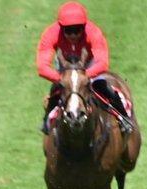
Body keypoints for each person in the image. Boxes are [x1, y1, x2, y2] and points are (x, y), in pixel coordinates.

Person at [36, 2, 133, 134]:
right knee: (55, 91)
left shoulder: (94, 32)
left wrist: (83, 77)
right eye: (68, 31)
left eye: (77, 30)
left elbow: (102, 63)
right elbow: (42, 67)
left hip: (89, 65)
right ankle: (47, 122)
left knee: (105, 89)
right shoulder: (50, 34)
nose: (73, 35)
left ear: (84, 27)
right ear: (61, 28)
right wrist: (65, 79)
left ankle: (124, 118)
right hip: (65, 68)